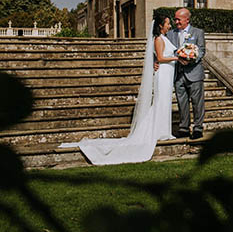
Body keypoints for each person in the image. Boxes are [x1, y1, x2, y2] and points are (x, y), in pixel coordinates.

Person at [59, 15, 177, 165]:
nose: (169, 26)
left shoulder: (164, 37)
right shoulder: (158, 39)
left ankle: (163, 130)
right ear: (161, 25)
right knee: (160, 102)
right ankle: (158, 131)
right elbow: (160, 57)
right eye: (167, 23)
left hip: (167, 73)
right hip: (163, 74)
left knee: (164, 102)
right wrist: (177, 58)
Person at [165, 8, 206, 139]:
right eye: (175, 19)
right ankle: (184, 128)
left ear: (187, 19)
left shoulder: (198, 32)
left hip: (194, 72)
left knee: (197, 102)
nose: (176, 22)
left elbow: (202, 50)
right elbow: (165, 50)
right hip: (178, 74)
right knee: (181, 102)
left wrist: (191, 60)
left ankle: (198, 128)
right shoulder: (170, 34)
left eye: (179, 19)